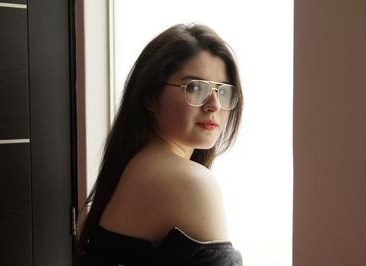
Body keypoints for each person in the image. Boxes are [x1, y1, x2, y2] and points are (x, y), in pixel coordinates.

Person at [76, 23, 244, 266]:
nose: (214, 105)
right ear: (150, 96)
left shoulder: (129, 167)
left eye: (224, 91)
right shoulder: (190, 182)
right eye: (195, 87)